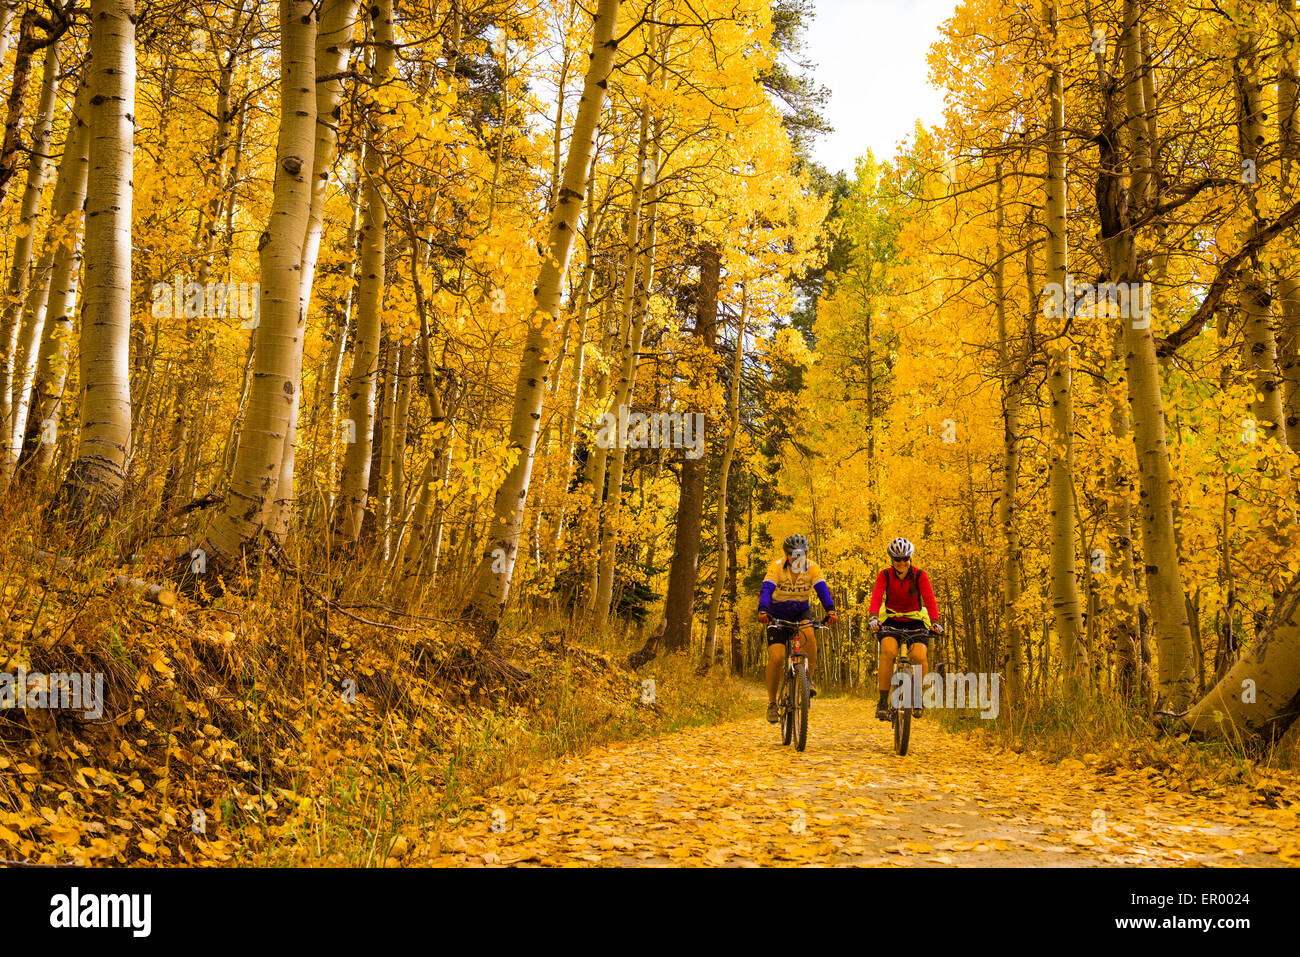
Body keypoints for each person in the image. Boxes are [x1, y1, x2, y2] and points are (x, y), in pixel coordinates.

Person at [757, 534, 837, 723]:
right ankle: (772, 703)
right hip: (776, 615)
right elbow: (766, 589)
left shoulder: (812, 568)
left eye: (801, 554)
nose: (797, 558)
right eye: (793, 555)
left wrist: (831, 610)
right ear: (786, 555)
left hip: (801, 612)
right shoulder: (776, 567)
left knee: (809, 635)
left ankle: (808, 679)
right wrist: (763, 610)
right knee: (776, 657)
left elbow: (822, 589)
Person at [867, 537, 943, 721]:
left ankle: (917, 697)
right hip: (891, 620)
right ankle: (883, 702)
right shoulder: (884, 575)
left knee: (919, 656)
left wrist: (935, 621)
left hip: (915, 620)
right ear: (892, 560)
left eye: (905, 559)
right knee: (888, 652)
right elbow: (877, 597)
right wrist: (873, 618)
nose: (902, 563)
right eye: (897, 559)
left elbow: (929, 599)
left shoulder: (919, 575)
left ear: (910, 558)